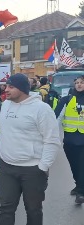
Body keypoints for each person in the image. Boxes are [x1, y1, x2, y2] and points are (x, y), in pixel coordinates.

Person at [0, 74, 61, 225]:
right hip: (7, 168)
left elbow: (52, 140)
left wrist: (43, 166)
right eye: (6, 86)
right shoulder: (6, 105)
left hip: (32, 170)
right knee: (6, 209)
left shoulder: (41, 109)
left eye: (11, 87)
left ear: (23, 89)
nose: (6, 90)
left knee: (33, 210)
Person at [54, 75, 84, 204]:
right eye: (77, 83)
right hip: (70, 140)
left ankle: (81, 193)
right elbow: (56, 118)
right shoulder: (66, 100)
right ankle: (78, 185)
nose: (79, 85)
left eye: (82, 82)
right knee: (74, 166)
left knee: (82, 166)